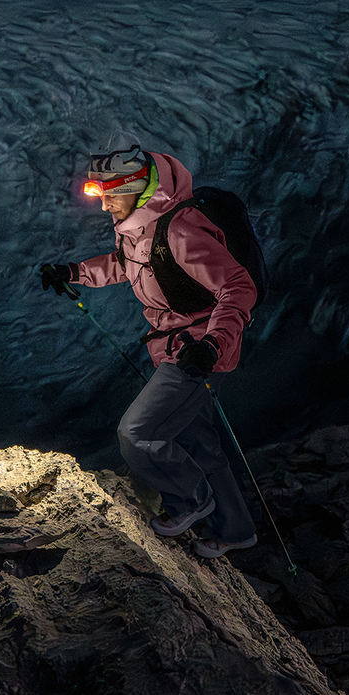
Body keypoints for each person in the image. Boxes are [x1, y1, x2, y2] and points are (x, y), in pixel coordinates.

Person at [43, 134, 259, 558]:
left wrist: (213, 345)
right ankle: (234, 531)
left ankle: (190, 500)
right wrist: (74, 272)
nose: (103, 206)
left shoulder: (179, 229)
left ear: (130, 189)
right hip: (179, 347)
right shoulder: (139, 226)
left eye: (108, 196)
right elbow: (128, 264)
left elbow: (239, 286)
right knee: (198, 441)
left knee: (136, 433)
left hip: (197, 352)